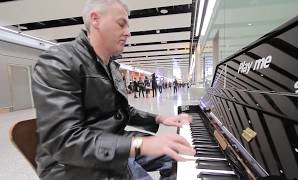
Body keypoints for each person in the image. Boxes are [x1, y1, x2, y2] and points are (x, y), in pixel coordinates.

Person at [31, 0, 195, 179]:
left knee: (179, 156)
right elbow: (65, 142)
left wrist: (160, 117)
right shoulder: (59, 62)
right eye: (121, 24)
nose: (128, 33)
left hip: (115, 145)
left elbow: (123, 111)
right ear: (95, 19)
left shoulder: (112, 67)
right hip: (75, 166)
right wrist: (140, 144)